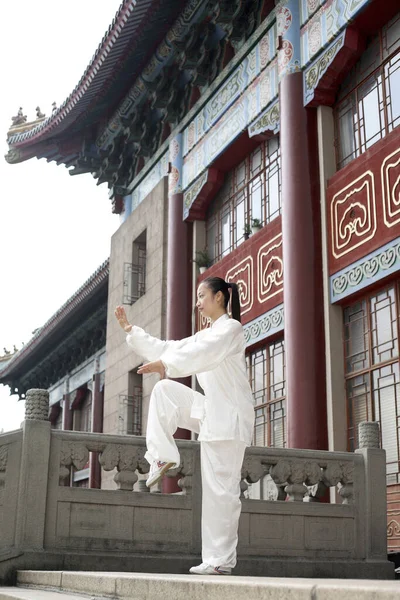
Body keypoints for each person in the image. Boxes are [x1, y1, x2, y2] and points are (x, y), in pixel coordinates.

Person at [114, 277, 255, 576]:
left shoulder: (230, 330)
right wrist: (132, 332)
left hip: (229, 420)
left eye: (202, 296)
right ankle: (163, 455)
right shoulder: (206, 334)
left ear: (220, 297)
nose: (198, 302)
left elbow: (195, 356)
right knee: (165, 391)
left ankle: (220, 562)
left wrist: (167, 364)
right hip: (211, 412)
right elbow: (171, 347)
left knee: (221, 493)